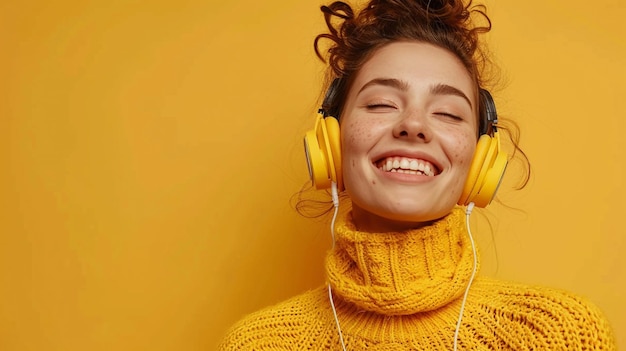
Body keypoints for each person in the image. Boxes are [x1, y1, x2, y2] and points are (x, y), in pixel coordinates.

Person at [218, 0, 616, 349]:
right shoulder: (257, 344)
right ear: (332, 142)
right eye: (381, 104)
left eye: (446, 112)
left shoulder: (556, 334)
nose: (413, 125)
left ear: (480, 160)